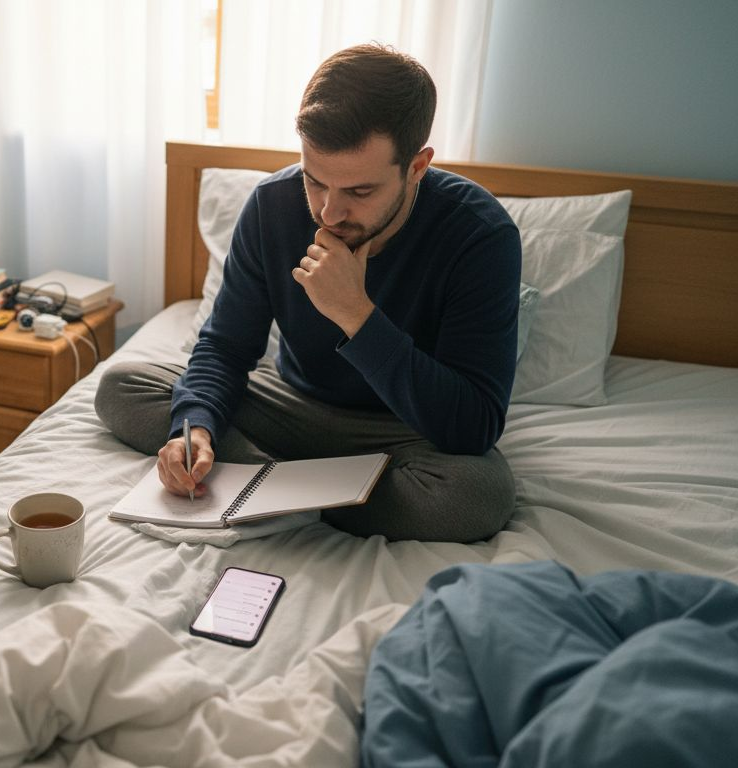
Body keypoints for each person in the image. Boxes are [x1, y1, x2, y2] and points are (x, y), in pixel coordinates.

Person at [95, 44, 522, 543]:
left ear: (417, 166)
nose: (329, 213)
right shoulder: (271, 207)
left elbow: (472, 425)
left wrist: (357, 316)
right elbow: (226, 349)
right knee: (122, 386)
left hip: (402, 428)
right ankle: (307, 495)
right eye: (315, 181)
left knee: (475, 495)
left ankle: (267, 489)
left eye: (359, 192)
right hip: (289, 407)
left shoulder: (479, 235)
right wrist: (196, 430)